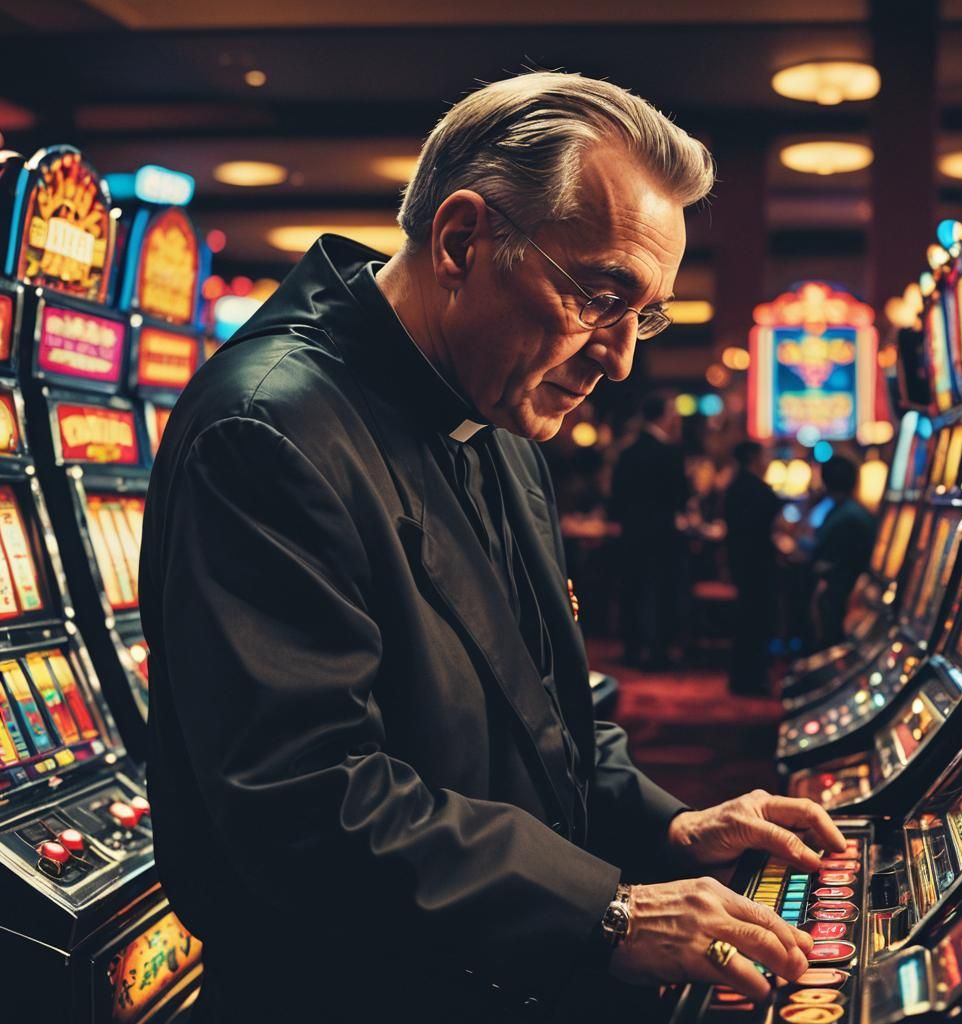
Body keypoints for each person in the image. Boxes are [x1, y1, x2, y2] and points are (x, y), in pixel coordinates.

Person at [140, 72, 845, 1023]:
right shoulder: (267, 429)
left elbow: (545, 718)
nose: (622, 357)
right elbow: (307, 801)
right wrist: (606, 912)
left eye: (646, 315)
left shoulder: (501, 417)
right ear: (462, 242)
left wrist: (672, 825)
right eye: (601, 296)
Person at [610, 393, 689, 669]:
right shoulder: (669, 453)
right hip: (663, 533)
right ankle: (659, 653)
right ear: (664, 416)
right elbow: (680, 496)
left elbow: (616, 496)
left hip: (632, 532)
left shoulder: (627, 451)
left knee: (632, 590)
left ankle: (632, 650)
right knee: (663, 592)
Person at [723, 440, 782, 696]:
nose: (767, 462)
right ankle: (752, 679)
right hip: (757, 564)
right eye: (763, 457)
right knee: (756, 622)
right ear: (753, 459)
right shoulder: (754, 488)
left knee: (748, 621)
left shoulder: (735, 486)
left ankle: (744, 677)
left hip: (742, 562)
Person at [809, 455, 877, 650]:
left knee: (833, 644)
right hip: (846, 593)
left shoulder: (847, 515)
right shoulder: (848, 511)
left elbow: (835, 559)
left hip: (843, 596)